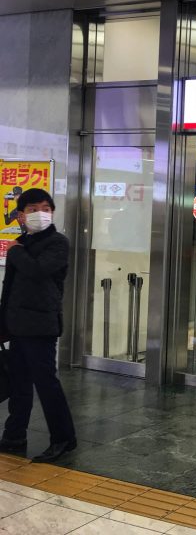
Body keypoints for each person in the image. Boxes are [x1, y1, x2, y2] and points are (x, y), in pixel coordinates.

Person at [0, 188, 76, 462]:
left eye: (45, 208)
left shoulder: (57, 242)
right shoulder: (22, 243)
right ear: (20, 214)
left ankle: (63, 438)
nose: (40, 214)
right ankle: (14, 435)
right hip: (18, 324)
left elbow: (39, 271)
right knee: (19, 382)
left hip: (41, 325)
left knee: (46, 384)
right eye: (32, 209)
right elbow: (9, 288)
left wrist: (16, 252)